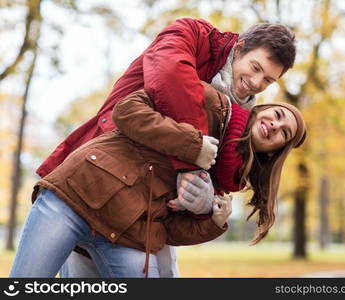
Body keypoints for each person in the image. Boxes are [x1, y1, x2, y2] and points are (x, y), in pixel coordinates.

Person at [36, 17, 297, 277]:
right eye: (255, 67)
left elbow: (207, 172)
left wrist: (207, 203)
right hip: (99, 177)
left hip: (147, 207)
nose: (256, 82)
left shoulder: (240, 117)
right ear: (239, 48)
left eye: (268, 80)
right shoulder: (192, 34)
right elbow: (170, 79)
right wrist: (191, 157)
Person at [9, 82, 306, 278]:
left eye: (283, 133)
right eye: (278, 114)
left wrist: (211, 223)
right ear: (263, 109)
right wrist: (192, 146)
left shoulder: (227, 182)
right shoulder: (211, 102)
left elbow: (169, 228)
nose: (275, 125)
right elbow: (127, 110)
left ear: (275, 151)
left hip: (124, 235)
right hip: (74, 199)